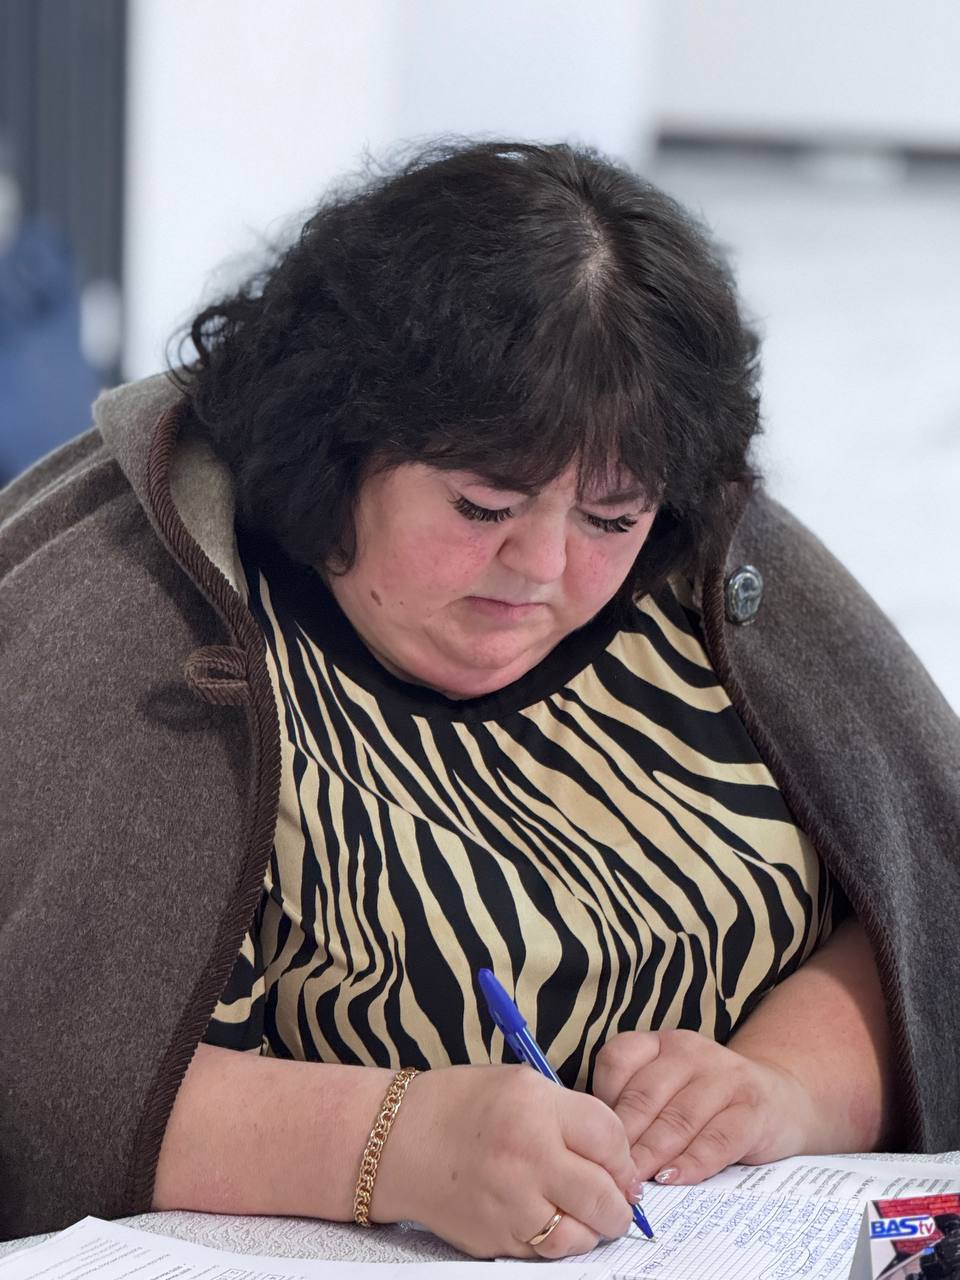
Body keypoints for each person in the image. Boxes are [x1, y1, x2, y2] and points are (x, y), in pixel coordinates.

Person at [0, 140, 958, 1257]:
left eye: (610, 518)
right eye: (484, 506)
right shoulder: (142, 620)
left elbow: (918, 906)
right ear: (336, 448)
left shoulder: (712, 574)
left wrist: (780, 1084)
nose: (542, 567)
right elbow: (53, 1076)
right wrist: (391, 1140)